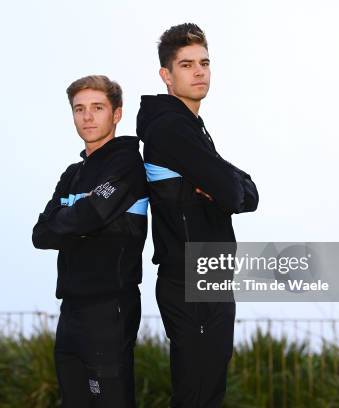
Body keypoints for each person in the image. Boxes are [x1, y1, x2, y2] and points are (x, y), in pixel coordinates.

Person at [136, 23, 259, 407]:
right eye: (186, 64)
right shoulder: (170, 127)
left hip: (206, 274)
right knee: (198, 394)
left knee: (207, 391)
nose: (199, 71)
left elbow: (246, 192)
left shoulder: (191, 127)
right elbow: (230, 190)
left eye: (204, 62)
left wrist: (228, 185)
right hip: (192, 275)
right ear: (166, 75)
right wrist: (226, 187)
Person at [32, 75, 148, 407]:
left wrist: (72, 223)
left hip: (110, 306)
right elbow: (40, 234)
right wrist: (82, 220)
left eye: (97, 108)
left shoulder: (127, 164)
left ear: (117, 114)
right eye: (79, 109)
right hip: (71, 309)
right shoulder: (72, 174)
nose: (87, 117)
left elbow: (94, 214)